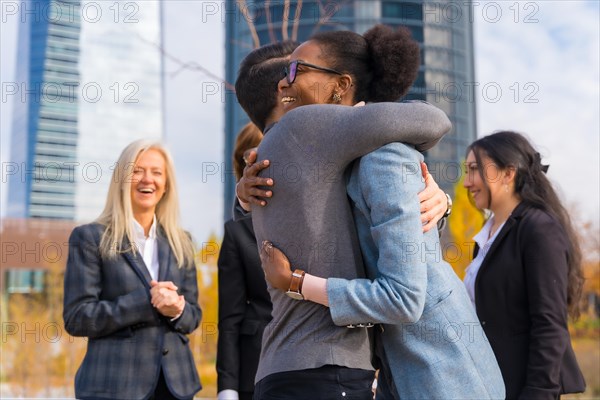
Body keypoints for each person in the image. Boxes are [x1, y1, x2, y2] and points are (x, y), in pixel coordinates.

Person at [236, 25, 489, 399]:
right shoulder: (306, 132)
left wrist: (443, 202)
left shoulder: (344, 152)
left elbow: (401, 264)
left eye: (297, 70)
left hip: (424, 365)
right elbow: (433, 120)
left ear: (340, 83)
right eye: (285, 73)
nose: (288, 82)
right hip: (331, 367)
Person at [63, 140, 202, 400]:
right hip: (113, 385)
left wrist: (177, 309)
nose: (147, 179)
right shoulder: (90, 238)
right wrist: (143, 303)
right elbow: (77, 317)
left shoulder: (182, 241)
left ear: (167, 184)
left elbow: (193, 315)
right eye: (136, 170)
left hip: (176, 386)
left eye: (156, 172)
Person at [462, 131, 586, 399]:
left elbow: (549, 323)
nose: (466, 182)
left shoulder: (539, 229)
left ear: (508, 174)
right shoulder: (487, 235)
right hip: (489, 385)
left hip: (523, 389)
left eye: (474, 170)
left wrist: (538, 393)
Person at [217, 122, 271, 400]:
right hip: (254, 370)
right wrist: (227, 389)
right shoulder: (236, 231)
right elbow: (229, 318)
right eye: (251, 156)